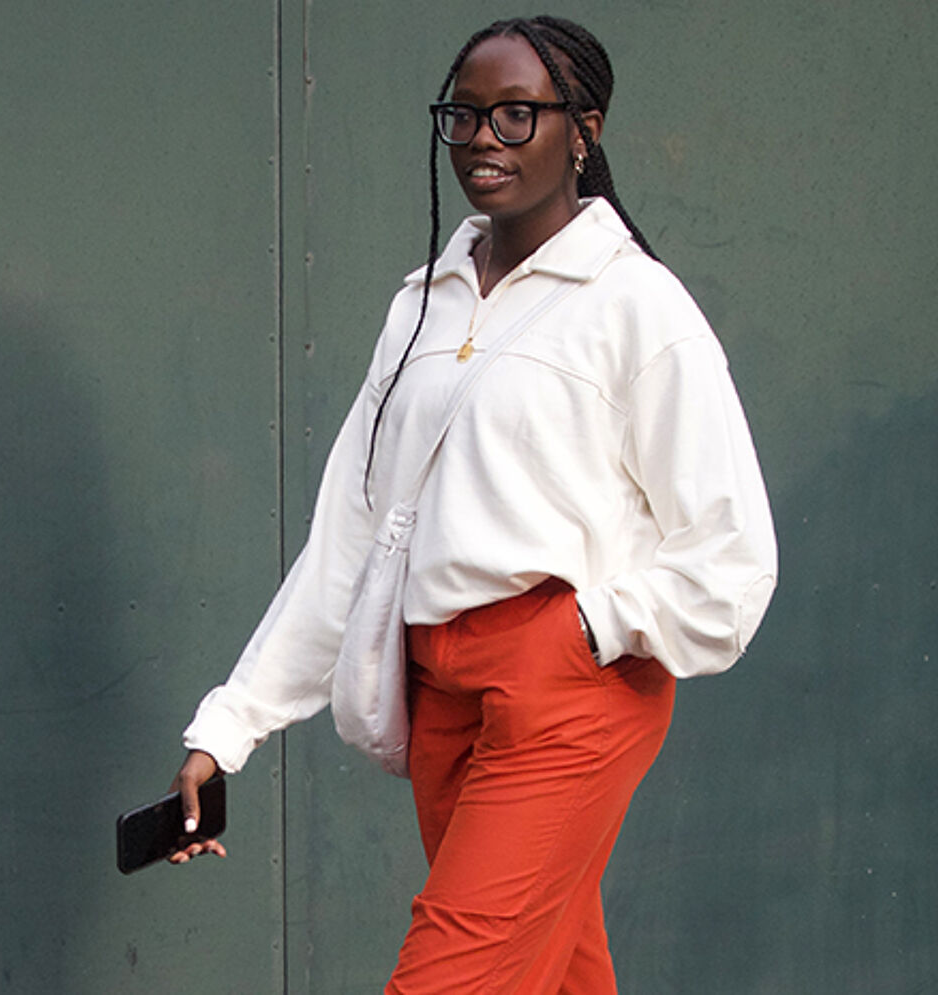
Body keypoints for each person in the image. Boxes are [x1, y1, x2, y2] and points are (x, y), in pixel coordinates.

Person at [167, 15, 777, 994]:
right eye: (463, 115)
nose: (482, 140)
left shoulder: (634, 306)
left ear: (582, 129)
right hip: (438, 695)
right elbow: (353, 537)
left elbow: (732, 554)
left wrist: (588, 626)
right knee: (557, 972)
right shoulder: (424, 301)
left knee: (446, 978)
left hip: (565, 688)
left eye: (515, 115)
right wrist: (226, 729)